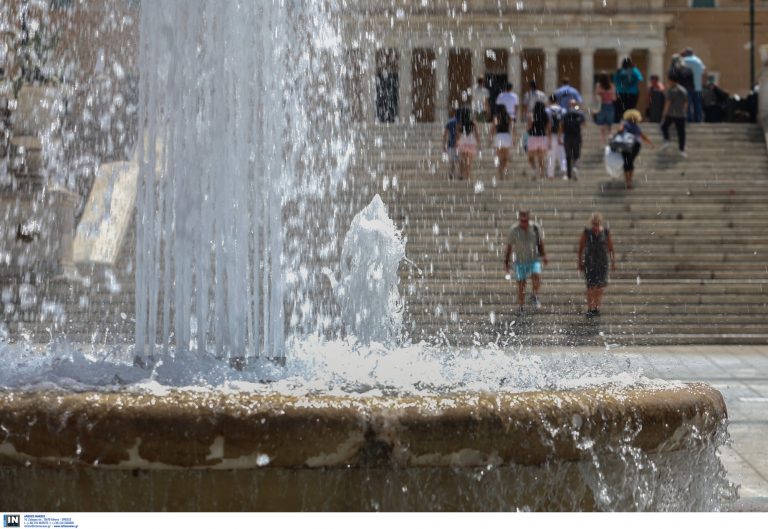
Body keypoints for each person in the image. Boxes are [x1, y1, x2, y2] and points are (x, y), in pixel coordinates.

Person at [504, 209, 548, 315]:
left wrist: (544, 255)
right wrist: (506, 262)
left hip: (534, 259)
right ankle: (521, 306)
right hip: (520, 261)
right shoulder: (514, 230)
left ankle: (534, 295)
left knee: (536, 275)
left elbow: (540, 242)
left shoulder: (535, 228)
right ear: (519, 219)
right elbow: (509, 247)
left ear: (528, 219)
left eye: (526, 221)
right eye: (522, 221)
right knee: (521, 284)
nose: (524, 223)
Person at [577, 212, 616, 318]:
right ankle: (590, 308)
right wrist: (579, 262)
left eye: (597, 224)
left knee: (599, 287)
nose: (595, 226)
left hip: (602, 263)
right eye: (594, 224)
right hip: (589, 263)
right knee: (590, 287)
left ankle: (596, 307)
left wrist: (613, 262)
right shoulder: (587, 232)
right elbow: (581, 248)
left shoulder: (606, 232)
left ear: (600, 223)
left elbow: (611, 248)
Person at [618, 109, 654, 190]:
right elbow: (642, 136)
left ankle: (628, 180)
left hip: (626, 145)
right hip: (635, 145)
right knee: (630, 162)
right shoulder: (636, 126)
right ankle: (629, 180)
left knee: (627, 163)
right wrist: (650, 143)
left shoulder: (624, 123)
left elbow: (620, 130)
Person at [660, 76, 688, 157]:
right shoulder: (683, 90)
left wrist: (664, 113)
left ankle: (667, 141)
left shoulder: (671, 90)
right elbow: (686, 103)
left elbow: (668, 103)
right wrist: (684, 112)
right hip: (681, 114)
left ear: (672, 81)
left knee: (664, 126)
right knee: (681, 132)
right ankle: (681, 150)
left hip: (671, 113)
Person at [559, 99, 586, 180]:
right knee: (576, 154)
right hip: (576, 136)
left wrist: (559, 136)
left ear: (569, 105)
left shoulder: (565, 114)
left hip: (567, 136)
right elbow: (584, 124)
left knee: (568, 155)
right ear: (575, 105)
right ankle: (575, 167)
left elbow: (561, 125)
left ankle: (569, 174)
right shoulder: (580, 113)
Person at [613, 57, 644, 122]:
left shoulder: (619, 71)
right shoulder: (634, 70)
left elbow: (615, 81)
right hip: (632, 93)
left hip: (620, 92)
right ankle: (630, 122)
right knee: (631, 109)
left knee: (620, 109)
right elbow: (640, 80)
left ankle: (619, 123)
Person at [526, 101, 551, 179]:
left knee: (530, 157)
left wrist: (528, 130)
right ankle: (541, 173)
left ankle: (534, 170)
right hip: (543, 137)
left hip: (533, 137)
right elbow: (549, 127)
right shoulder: (545, 115)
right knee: (541, 158)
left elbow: (529, 126)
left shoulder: (531, 115)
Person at [682, 47, 706, 123]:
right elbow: (704, 73)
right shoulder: (698, 61)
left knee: (688, 103)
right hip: (698, 87)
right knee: (697, 103)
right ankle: (698, 119)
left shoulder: (684, 60)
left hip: (687, 86)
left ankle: (689, 118)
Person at [455, 107, 480, 180]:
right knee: (469, 160)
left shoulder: (459, 123)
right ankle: (468, 175)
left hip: (463, 141)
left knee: (462, 159)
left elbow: (457, 135)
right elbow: (477, 134)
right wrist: (479, 143)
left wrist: (456, 143)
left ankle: (461, 175)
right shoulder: (473, 123)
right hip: (471, 141)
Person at [546, 95, 566, 178]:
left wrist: (549, 139)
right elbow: (563, 123)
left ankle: (550, 175)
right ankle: (564, 172)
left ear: (550, 101)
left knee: (551, 156)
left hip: (552, 135)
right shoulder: (563, 110)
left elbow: (548, 125)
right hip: (562, 135)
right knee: (562, 155)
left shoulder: (547, 110)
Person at [594, 71, 616, 143]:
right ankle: (608, 138)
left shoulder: (599, 85)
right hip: (609, 105)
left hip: (602, 105)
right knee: (609, 124)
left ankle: (603, 140)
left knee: (602, 124)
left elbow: (597, 94)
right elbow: (614, 98)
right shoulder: (611, 86)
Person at [491, 106, 513, 180]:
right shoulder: (508, 117)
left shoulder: (496, 117)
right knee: (505, 158)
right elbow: (511, 127)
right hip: (506, 136)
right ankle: (505, 172)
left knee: (500, 158)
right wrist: (513, 138)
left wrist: (490, 137)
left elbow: (494, 127)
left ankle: (501, 175)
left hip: (499, 137)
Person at [442, 109, 459, 179]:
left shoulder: (450, 122)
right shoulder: (462, 121)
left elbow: (445, 134)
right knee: (459, 160)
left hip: (451, 143)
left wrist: (443, 145)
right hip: (460, 144)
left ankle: (451, 173)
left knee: (452, 161)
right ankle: (460, 174)